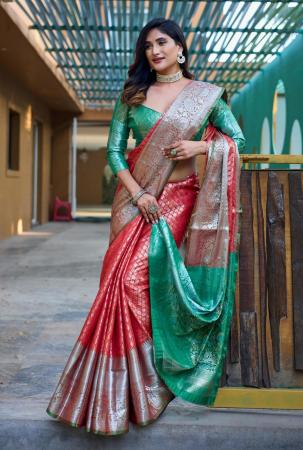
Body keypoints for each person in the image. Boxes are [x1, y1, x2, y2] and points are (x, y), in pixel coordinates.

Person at [46, 17, 245, 436]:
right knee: (116, 283)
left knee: (138, 280)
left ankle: (149, 385)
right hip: (139, 203)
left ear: (180, 48)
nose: (154, 51)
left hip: (182, 203)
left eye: (162, 42)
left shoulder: (206, 98)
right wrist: (139, 194)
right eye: (148, 46)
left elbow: (237, 142)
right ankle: (115, 393)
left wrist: (202, 145)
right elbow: (115, 153)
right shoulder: (132, 96)